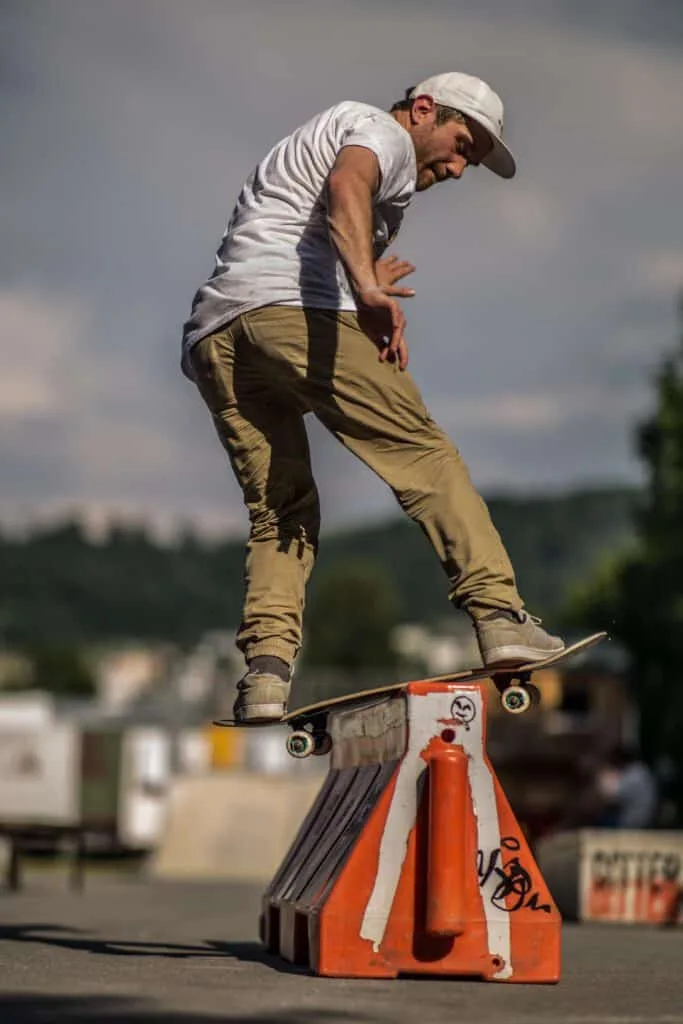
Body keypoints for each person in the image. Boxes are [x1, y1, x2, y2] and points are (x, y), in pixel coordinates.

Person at [182, 71, 565, 723]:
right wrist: (363, 288)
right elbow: (347, 185)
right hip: (290, 313)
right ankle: (500, 615)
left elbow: (296, 227)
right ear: (423, 109)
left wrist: (355, 277)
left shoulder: (326, 136)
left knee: (280, 510)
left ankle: (265, 673)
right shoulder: (379, 132)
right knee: (424, 456)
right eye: (461, 145)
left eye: (470, 161)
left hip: (218, 334)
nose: (458, 168)